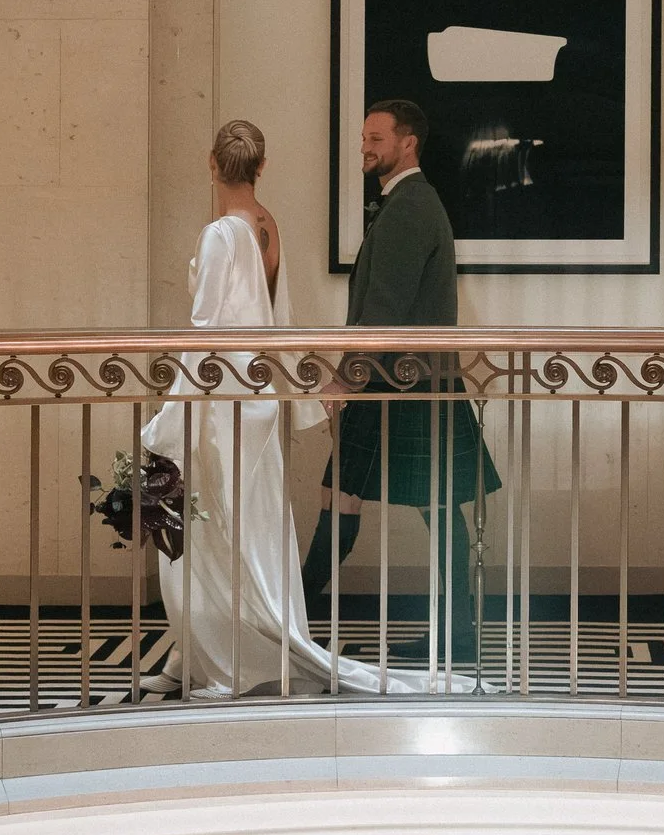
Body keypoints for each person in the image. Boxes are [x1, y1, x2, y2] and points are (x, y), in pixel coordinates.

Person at [137, 120, 448, 696]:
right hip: (257, 399)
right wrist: (300, 395)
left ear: (212, 164)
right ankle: (226, 645)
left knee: (202, 529)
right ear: (261, 166)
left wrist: (172, 410)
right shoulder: (268, 227)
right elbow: (279, 324)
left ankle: (217, 653)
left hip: (215, 401)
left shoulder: (219, 234)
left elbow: (204, 329)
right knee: (247, 525)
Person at [302, 99, 501, 668]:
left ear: (407, 142)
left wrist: (345, 380)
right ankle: (294, 613)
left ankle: (292, 614)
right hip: (401, 380)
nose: (365, 146)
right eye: (364, 137)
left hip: (400, 382)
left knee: (419, 506)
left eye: (376, 137)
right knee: (354, 496)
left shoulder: (411, 206)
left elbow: (384, 312)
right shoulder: (407, 202)